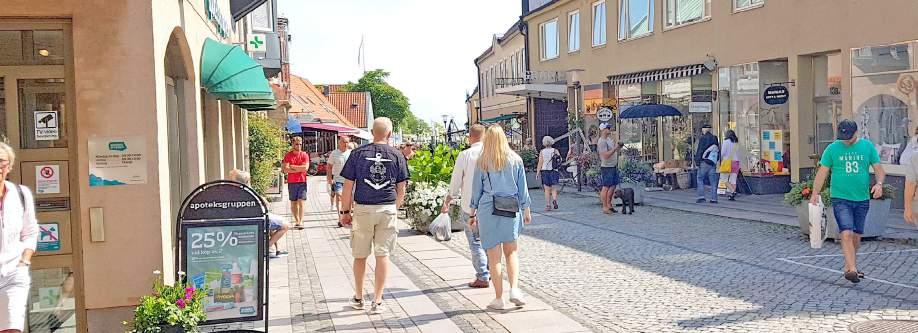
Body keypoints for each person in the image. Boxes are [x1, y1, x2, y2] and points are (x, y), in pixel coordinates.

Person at [339, 117, 409, 314]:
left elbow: (348, 185)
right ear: (390, 132)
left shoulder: (357, 153)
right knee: (383, 255)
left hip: (363, 208)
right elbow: (401, 188)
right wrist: (394, 207)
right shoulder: (397, 155)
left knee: (360, 255)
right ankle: (377, 301)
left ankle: (359, 297)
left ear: (371, 131)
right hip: (387, 207)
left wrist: (345, 211)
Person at [810, 120, 885, 284]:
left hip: (861, 198)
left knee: (857, 236)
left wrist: (879, 185)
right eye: (842, 136)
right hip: (840, 197)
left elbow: (879, 169)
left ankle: (849, 265)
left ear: (856, 133)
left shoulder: (867, 147)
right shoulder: (832, 148)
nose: (845, 140)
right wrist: (815, 192)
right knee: (846, 233)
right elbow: (822, 172)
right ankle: (852, 270)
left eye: (848, 137)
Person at [469, 125, 532, 310]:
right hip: (511, 207)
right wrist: (526, 210)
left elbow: (476, 191)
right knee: (511, 252)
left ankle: (499, 298)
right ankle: (514, 289)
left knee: (493, 256)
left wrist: (472, 213)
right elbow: (523, 188)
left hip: (488, 208)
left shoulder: (483, 161)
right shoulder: (516, 160)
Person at [440, 124, 490, 288]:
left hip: (470, 206)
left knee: (475, 241)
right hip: (491, 205)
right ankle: (492, 271)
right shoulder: (492, 153)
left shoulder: (465, 155)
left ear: (470, 137)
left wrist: (449, 198)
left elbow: (456, 181)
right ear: (484, 136)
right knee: (491, 240)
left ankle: (482, 275)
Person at [0, 142, 38, 333]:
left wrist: (24, 261)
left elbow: (31, 231)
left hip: (13, 273)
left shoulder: (21, 194)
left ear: (9, 166)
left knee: (12, 329)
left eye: (2, 162)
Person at [229, 169, 290, 258]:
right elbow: (264, 203)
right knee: (285, 225)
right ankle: (265, 249)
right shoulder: (248, 192)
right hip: (255, 220)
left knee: (272, 221)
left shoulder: (232, 192)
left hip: (246, 220)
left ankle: (277, 249)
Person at [282, 136, 310, 229]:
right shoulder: (288, 155)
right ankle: (296, 220)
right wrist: (299, 169)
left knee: (301, 201)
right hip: (292, 182)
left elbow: (305, 168)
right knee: (293, 202)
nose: (299, 146)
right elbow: (285, 169)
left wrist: (293, 167)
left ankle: (301, 221)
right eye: (297, 144)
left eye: (300, 144)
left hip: (302, 181)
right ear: (293, 144)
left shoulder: (304, 155)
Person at [597, 123, 623, 215]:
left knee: (613, 185)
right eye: (608, 128)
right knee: (606, 186)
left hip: (613, 165)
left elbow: (613, 151)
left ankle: (609, 204)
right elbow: (605, 155)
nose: (610, 129)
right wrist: (615, 148)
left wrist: (618, 147)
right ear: (603, 130)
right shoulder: (602, 141)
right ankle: (604, 207)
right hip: (607, 166)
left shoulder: (609, 139)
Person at [327, 135, 352, 218]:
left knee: (349, 198)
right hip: (338, 179)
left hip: (349, 180)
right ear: (339, 142)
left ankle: (347, 214)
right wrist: (329, 179)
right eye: (343, 142)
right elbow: (329, 166)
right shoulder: (334, 153)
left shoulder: (351, 153)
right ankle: (340, 216)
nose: (345, 144)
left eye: (347, 142)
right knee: (339, 196)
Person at [695, 124, 720, 204]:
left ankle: (701, 197)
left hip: (704, 162)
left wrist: (697, 161)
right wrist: (716, 160)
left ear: (704, 130)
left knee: (700, 178)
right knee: (713, 181)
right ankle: (714, 198)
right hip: (712, 162)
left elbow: (700, 150)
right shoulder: (715, 138)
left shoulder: (703, 138)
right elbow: (717, 150)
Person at [536, 136, 561, 211]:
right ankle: (554, 199)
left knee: (547, 189)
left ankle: (548, 205)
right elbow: (560, 159)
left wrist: (537, 172)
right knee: (554, 188)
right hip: (554, 170)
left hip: (545, 171)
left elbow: (540, 162)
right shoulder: (555, 150)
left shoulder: (542, 151)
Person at [720, 130, 742, 201]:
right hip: (736, 162)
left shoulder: (726, 142)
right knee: (733, 180)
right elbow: (739, 154)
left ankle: (733, 191)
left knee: (724, 178)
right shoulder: (736, 143)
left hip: (727, 162)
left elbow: (722, 152)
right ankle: (732, 196)